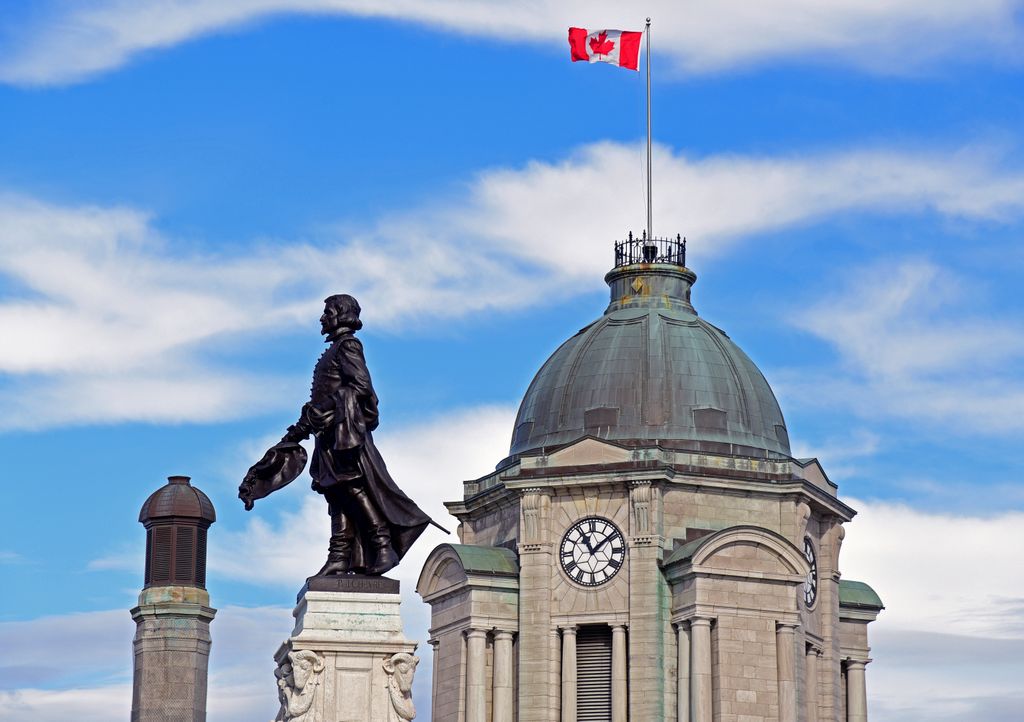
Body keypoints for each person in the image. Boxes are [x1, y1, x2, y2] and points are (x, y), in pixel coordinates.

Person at [239, 294, 441, 576]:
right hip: (329, 435)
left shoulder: (348, 346)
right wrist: (301, 428)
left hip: (344, 435)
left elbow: (360, 387)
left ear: (340, 314)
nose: (323, 318)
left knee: (350, 488)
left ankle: (382, 545)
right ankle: (339, 556)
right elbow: (324, 399)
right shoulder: (335, 348)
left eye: (327, 312)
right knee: (336, 493)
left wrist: (323, 412)